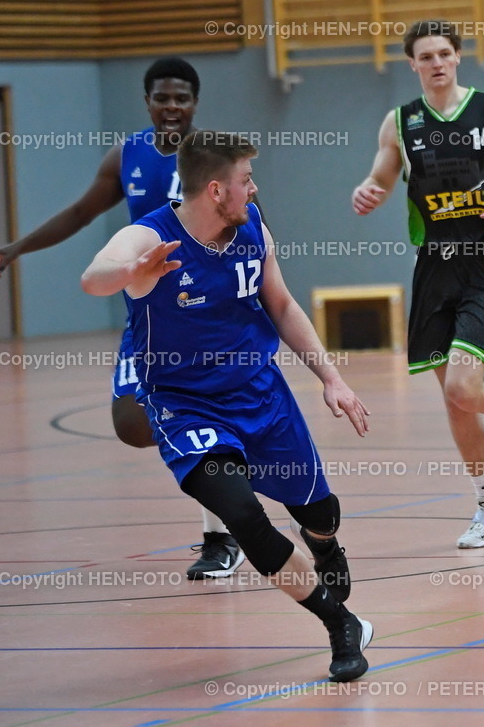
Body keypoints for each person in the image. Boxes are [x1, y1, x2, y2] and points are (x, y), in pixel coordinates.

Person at [80, 131, 373, 681]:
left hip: (261, 395)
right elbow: (93, 275)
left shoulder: (251, 225)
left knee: (320, 515)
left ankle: (324, 544)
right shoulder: (147, 237)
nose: (254, 188)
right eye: (246, 180)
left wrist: (331, 378)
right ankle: (340, 625)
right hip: (184, 407)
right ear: (217, 190)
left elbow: (281, 304)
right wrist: (128, 273)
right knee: (242, 516)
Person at [0, 58, 245, 579]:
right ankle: (228, 476)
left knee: (196, 418)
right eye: (162, 97)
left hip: (207, 318)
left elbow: (250, 224)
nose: (171, 107)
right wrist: (15, 248)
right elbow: (79, 213)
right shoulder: (129, 155)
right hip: (149, 319)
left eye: (181, 98)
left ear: (194, 104)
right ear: (147, 102)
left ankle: (220, 534)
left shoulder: (215, 156)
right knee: (132, 425)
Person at [351, 20, 484, 549]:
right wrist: (369, 191)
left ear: (458, 57)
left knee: (464, 387)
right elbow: (383, 175)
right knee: (456, 401)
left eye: (444, 53)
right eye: (425, 56)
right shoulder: (400, 123)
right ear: (412, 64)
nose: (436, 63)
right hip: (433, 265)